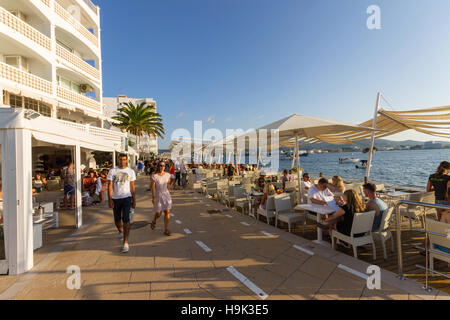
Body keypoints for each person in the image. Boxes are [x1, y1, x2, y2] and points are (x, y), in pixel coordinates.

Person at [107, 154, 136, 253]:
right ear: (118, 160)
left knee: (126, 220)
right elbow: (110, 186)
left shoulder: (130, 171)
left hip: (127, 198)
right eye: (120, 159)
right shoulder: (112, 171)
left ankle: (126, 243)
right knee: (117, 220)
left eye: (124, 159)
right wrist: (110, 199)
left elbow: (132, 186)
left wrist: (134, 199)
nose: (122, 161)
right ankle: (120, 231)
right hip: (115, 199)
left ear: (126, 160)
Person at [150, 160, 174, 236]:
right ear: (158, 166)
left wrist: (169, 192)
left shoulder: (167, 175)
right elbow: (153, 188)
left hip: (166, 195)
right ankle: (154, 221)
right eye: (160, 165)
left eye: (163, 165)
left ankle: (166, 229)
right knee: (158, 213)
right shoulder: (154, 176)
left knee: (167, 212)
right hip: (158, 195)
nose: (162, 167)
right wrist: (153, 197)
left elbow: (168, 185)